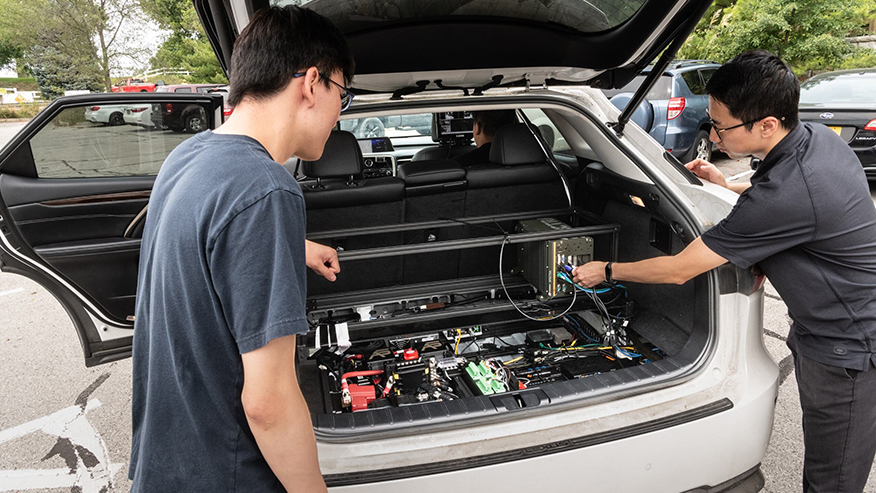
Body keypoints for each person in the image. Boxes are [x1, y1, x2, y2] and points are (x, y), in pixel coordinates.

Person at [573, 50, 876, 492]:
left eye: (721, 125)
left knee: (832, 479)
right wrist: (726, 183)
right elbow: (780, 197)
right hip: (827, 327)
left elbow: (680, 269)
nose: (713, 134)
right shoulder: (815, 139)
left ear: (767, 124)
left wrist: (608, 269)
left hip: (848, 350)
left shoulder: (788, 194)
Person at [129, 6, 354, 492]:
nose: (341, 114)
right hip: (227, 474)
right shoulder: (268, 190)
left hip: (168, 462)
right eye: (345, 94)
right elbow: (268, 403)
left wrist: (295, 245)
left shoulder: (191, 154)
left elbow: (208, 233)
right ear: (312, 83)